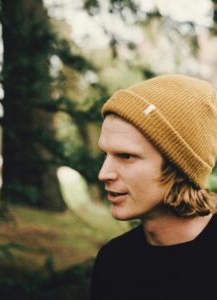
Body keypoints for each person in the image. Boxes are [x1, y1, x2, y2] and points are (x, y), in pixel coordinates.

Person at [90, 74, 217, 300]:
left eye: (126, 156)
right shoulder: (114, 261)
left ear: (179, 166)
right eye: (106, 154)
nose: (104, 174)